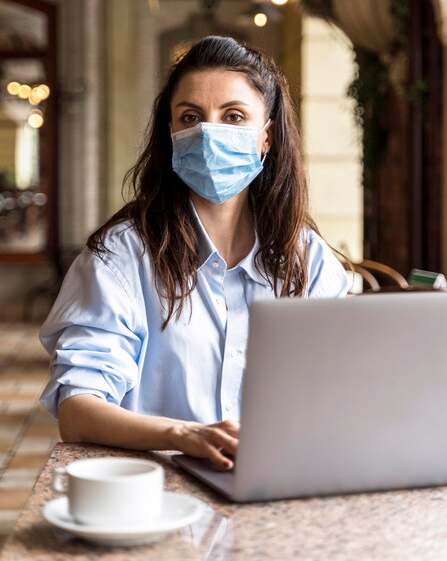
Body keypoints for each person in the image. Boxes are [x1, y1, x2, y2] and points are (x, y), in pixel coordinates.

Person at [40, 35, 349, 470]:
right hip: (155, 491)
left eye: (234, 116)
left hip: (278, 486)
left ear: (267, 136)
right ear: (172, 135)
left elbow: (339, 391)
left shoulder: (309, 261)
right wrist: (184, 435)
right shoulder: (120, 258)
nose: (208, 133)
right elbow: (77, 411)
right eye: (190, 116)